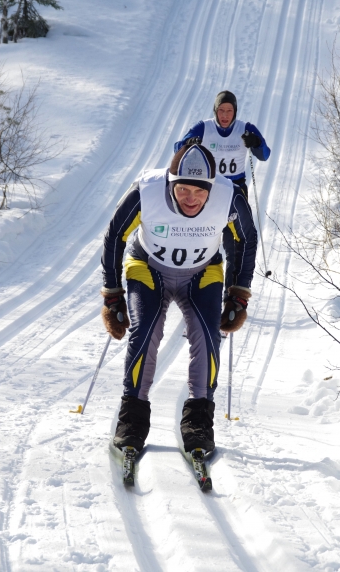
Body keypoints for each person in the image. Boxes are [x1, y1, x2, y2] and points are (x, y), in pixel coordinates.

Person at [101, 144, 257, 459]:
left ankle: (199, 423)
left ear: (211, 189)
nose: (189, 198)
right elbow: (115, 234)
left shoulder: (230, 195)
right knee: (145, 331)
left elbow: (246, 238)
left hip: (202, 273)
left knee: (207, 334)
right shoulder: (146, 189)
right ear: (170, 182)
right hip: (147, 268)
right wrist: (112, 294)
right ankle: (131, 420)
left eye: (199, 192)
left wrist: (238, 292)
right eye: (182, 188)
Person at [174, 90, 270, 291]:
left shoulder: (245, 129)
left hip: (235, 192)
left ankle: (231, 293)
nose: (225, 115)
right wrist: (188, 144)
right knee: (201, 240)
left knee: (235, 244)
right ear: (215, 111)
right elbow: (178, 148)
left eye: (229, 111)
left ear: (235, 112)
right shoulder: (204, 127)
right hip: (208, 191)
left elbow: (264, 154)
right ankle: (194, 288)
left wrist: (256, 143)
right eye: (221, 111)